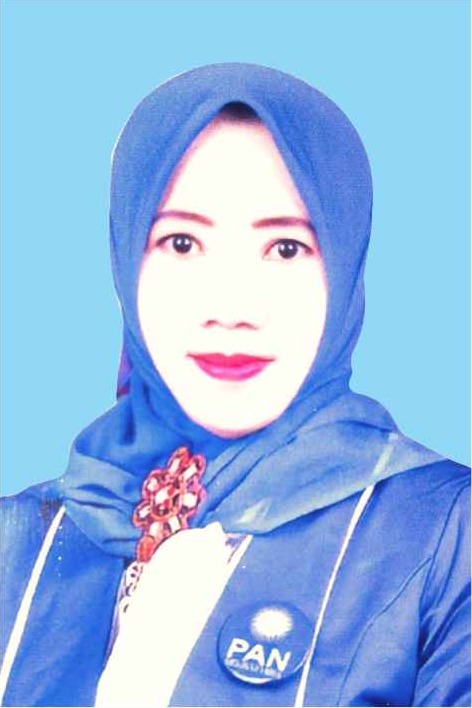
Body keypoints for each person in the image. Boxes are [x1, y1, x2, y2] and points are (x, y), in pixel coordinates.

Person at [1, 63, 470, 707]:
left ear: (344, 264)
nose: (231, 307)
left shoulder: (441, 533)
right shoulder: (23, 537)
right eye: (182, 242)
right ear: (125, 258)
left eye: (285, 248)